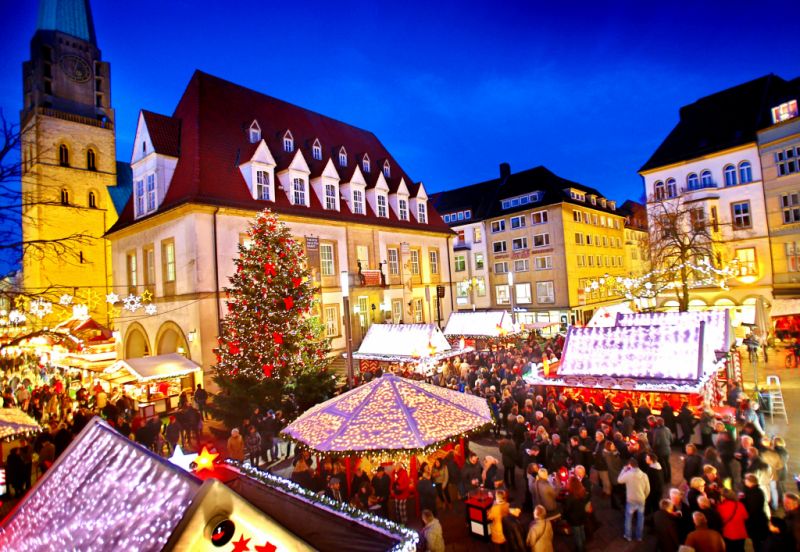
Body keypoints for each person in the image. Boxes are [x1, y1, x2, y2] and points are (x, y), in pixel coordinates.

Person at [618, 457, 650, 542]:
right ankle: (639, 537)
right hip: (641, 500)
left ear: (630, 465)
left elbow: (619, 480)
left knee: (628, 518)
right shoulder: (644, 475)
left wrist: (624, 469)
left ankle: (628, 536)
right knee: (640, 518)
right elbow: (648, 489)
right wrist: (644, 497)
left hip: (631, 500)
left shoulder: (628, 474)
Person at [743, 473, 769, 552]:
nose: (744, 481)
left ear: (751, 482)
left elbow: (752, 509)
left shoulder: (754, 493)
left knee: (757, 542)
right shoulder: (756, 491)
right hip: (758, 521)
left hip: (756, 522)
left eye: (746, 480)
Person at [717, 488, 748, 552]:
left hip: (728, 534)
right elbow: (746, 517)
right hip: (741, 533)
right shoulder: (740, 504)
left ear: (723, 497)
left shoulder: (720, 507)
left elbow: (719, 520)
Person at [563, 476, 589, 552]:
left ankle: (580, 549)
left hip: (574, 519)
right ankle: (584, 546)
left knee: (577, 536)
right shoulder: (583, 492)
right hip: (582, 516)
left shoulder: (569, 497)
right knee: (582, 532)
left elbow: (567, 509)